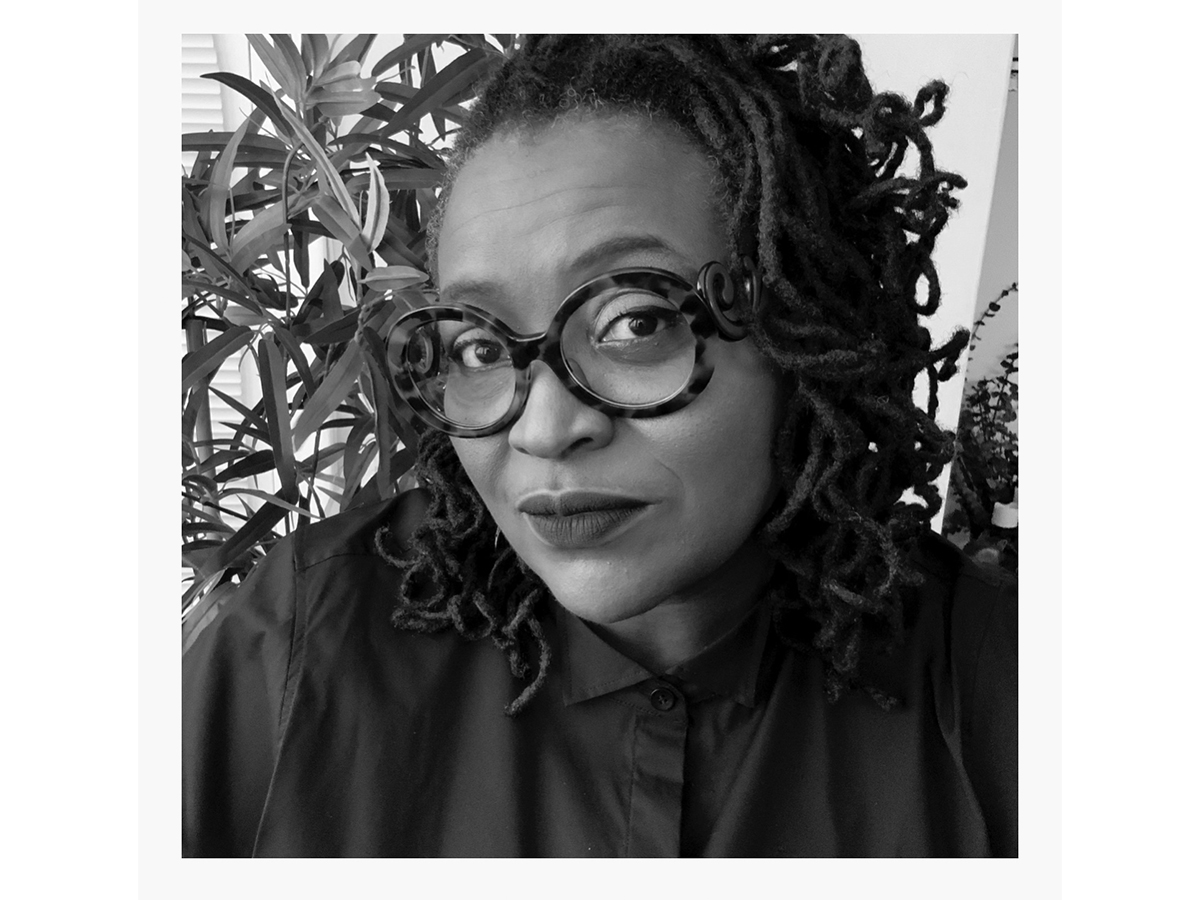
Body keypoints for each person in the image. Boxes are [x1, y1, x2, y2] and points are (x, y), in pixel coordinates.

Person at [183, 34, 1017, 857]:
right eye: (478, 345)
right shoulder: (294, 647)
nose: (544, 429)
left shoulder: (993, 693)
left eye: (636, 322)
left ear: (801, 330)